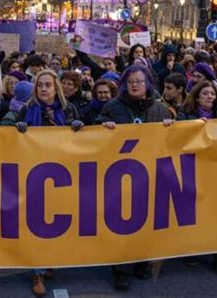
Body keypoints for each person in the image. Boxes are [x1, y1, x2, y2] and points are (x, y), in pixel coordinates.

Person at [95, 64, 171, 290]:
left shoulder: (161, 110)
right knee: (121, 224)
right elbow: (96, 134)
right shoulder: (112, 107)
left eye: (139, 81)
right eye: (130, 82)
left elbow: (171, 142)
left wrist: (171, 128)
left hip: (149, 175)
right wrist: (103, 126)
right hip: (119, 175)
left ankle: (142, 262)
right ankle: (120, 269)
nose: (135, 85)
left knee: (145, 221)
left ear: (147, 83)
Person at [14, 69, 82, 297]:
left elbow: (81, 138)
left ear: (56, 89)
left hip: (62, 174)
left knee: (57, 221)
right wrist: (18, 128)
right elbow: (8, 134)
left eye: (48, 85)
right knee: (36, 223)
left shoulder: (68, 109)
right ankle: (37, 272)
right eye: (40, 85)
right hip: (33, 175)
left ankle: (50, 259)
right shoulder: (26, 110)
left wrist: (78, 127)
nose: (44, 89)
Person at [177, 80, 217, 273]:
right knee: (193, 211)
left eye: (212, 94)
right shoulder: (185, 115)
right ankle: (191, 250)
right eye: (205, 93)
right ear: (197, 97)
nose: (209, 97)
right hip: (192, 168)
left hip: (216, 169)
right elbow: (178, 137)